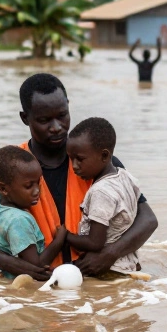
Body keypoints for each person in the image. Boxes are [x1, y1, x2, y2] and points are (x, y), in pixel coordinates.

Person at [0, 73, 158, 280]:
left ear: (68, 106)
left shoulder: (98, 163)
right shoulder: (10, 168)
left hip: (94, 279)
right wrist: (18, 266)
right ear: (25, 118)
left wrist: (109, 254)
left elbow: (147, 219)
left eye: (62, 115)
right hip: (38, 283)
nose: (57, 127)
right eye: (44, 120)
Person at [62, 117, 143, 274]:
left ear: (105, 156)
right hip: (128, 262)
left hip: (108, 270)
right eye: (71, 159)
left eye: (80, 159)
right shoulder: (124, 176)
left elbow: (95, 243)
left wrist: (66, 236)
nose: (74, 166)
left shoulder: (101, 192)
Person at [0, 146, 68, 277]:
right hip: (19, 285)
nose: (37, 191)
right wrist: (59, 241)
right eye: (29, 186)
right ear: (3, 188)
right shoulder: (18, 221)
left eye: (38, 183)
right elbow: (35, 267)